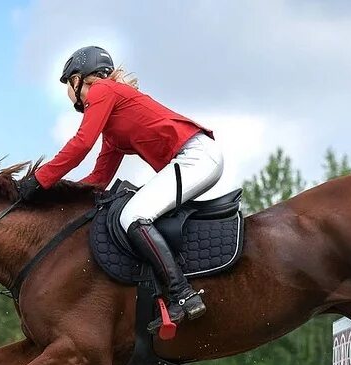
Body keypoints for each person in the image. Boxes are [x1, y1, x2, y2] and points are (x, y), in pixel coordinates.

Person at [17, 46, 223, 328]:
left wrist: (39, 181)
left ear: (79, 80)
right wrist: (55, 197)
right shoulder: (113, 126)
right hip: (192, 159)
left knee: (133, 216)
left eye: (68, 84)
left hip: (196, 157)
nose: (68, 93)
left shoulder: (102, 90)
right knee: (134, 212)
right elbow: (98, 180)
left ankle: (183, 294)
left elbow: (80, 145)